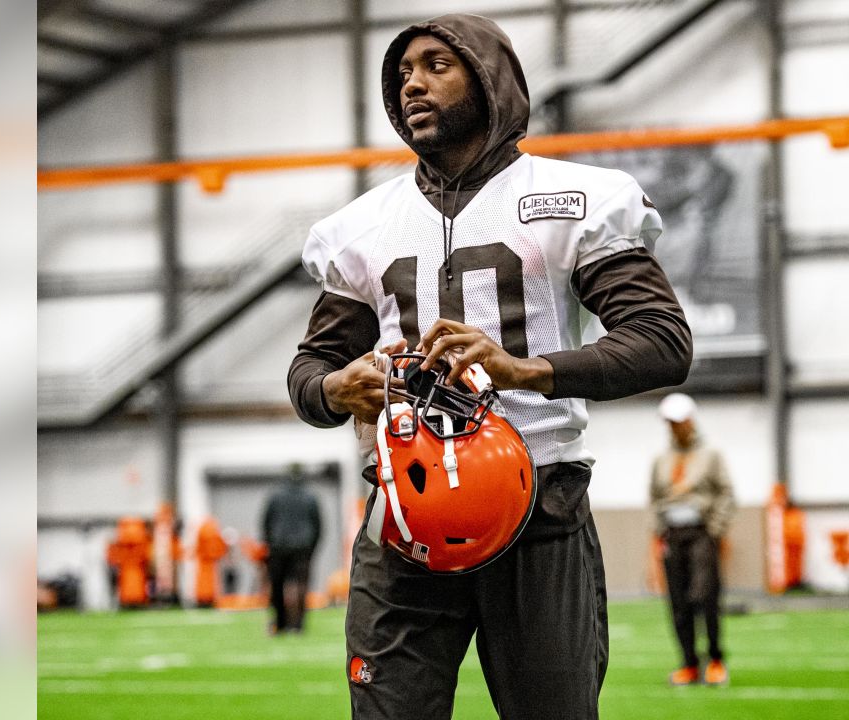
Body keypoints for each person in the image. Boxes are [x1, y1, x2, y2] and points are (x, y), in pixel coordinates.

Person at [286, 14, 691, 719]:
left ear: (490, 78)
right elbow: (310, 368)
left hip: (538, 501)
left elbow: (662, 340)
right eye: (404, 69)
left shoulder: (575, 200)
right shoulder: (362, 225)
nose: (413, 80)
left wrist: (524, 371)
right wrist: (333, 388)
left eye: (437, 64)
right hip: (404, 511)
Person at [649, 393, 734, 686]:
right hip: (672, 535)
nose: (673, 428)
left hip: (701, 533)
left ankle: (715, 660)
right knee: (678, 602)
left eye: (678, 422)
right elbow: (654, 498)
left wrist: (714, 530)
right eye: (669, 423)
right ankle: (688, 663)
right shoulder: (661, 460)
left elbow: (726, 493)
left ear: (690, 421)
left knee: (704, 596)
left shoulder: (711, 456)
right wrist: (658, 532)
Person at [261, 463, 322, 634]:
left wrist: (269, 543)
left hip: (278, 545)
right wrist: (312, 547)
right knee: (301, 584)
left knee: (278, 585)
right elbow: (318, 525)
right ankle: (298, 625)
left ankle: (280, 623)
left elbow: (266, 521)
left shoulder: (275, 495)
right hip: (303, 546)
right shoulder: (311, 496)